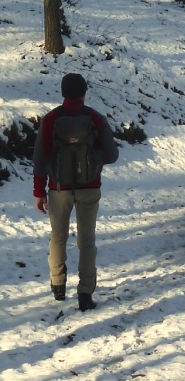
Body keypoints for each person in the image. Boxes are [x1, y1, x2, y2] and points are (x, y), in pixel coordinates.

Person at [33, 73, 119, 312]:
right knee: (86, 241)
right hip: (89, 189)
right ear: (84, 92)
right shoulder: (94, 118)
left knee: (58, 237)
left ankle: (58, 285)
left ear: (63, 92)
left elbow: (39, 158)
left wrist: (39, 192)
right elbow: (112, 154)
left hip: (58, 189)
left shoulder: (51, 119)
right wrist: (95, 159)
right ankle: (85, 293)